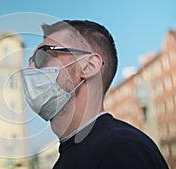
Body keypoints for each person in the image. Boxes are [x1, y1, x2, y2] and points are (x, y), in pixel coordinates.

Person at [22, 20, 169, 169]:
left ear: (88, 66)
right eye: (31, 61)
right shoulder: (70, 156)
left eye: (43, 57)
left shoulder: (120, 148)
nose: (29, 70)